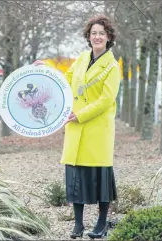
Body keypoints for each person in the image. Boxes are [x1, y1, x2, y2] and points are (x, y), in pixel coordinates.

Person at [34, 14, 120, 239]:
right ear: (88, 37)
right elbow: (65, 80)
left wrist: (79, 115)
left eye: (102, 33)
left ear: (109, 36)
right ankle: (78, 225)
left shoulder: (112, 66)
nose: (97, 36)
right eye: (94, 33)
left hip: (96, 129)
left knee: (100, 177)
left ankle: (101, 224)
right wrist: (47, 68)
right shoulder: (82, 58)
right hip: (75, 125)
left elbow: (106, 100)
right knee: (76, 178)